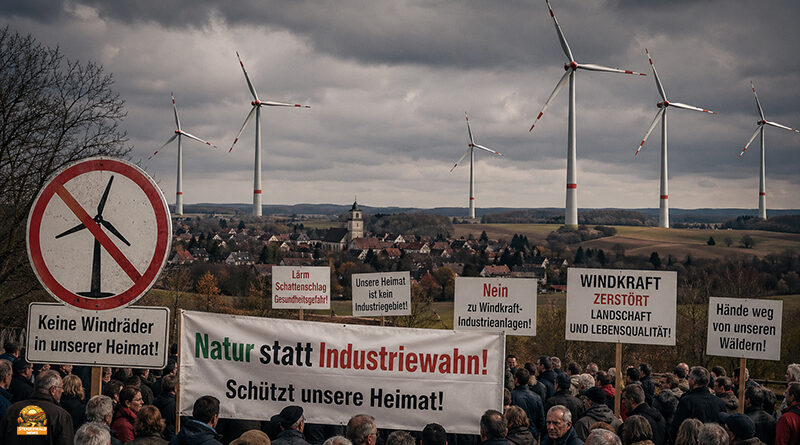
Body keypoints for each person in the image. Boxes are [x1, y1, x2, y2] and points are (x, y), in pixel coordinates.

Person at [0, 370, 74, 444]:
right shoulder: (60, 416)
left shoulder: (12, 410)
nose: (62, 391)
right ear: (53, 390)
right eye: (61, 387)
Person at [670, 366, 725, 440]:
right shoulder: (719, 402)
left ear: (694, 380)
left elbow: (676, 427)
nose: (688, 380)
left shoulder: (686, 401)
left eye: (689, 377)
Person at [511, 368, 545, 439]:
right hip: (532, 433)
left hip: (516, 434)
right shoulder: (537, 397)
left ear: (516, 380)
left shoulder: (512, 396)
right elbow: (541, 419)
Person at [153, 374, 177, 440]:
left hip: (158, 436)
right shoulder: (175, 404)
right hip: (170, 437)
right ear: (175, 388)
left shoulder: (155, 401)